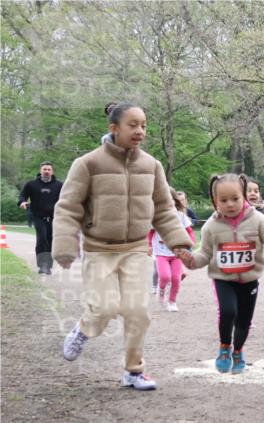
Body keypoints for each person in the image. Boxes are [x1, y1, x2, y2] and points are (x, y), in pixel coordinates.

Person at [53, 102, 194, 391]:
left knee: (137, 311)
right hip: (99, 249)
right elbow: (68, 207)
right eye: (133, 125)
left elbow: (164, 210)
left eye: (143, 125)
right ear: (114, 128)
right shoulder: (88, 164)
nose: (140, 131)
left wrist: (180, 243)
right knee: (104, 308)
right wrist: (66, 245)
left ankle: (134, 371)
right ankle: (83, 328)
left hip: (135, 250)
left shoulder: (151, 166)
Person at [188, 174, 264, 373]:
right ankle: (225, 347)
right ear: (215, 201)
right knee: (228, 312)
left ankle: (238, 351)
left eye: (235, 198)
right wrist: (191, 260)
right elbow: (205, 253)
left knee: (244, 320)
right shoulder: (211, 226)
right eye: (223, 200)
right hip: (223, 278)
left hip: (249, 280)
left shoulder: (259, 220)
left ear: (243, 196)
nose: (230, 204)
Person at [148, 188, 197, 311]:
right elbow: (150, 232)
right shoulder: (155, 216)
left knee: (176, 278)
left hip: (177, 253)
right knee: (164, 277)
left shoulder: (180, 215)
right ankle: (161, 288)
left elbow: (189, 231)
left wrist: (191, 242)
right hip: (160, 252)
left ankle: (172, 302)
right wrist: (148, 245)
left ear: (173, 200)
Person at [18, 160, 63, 274]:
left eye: (49, 169)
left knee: (50, 240)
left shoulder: (59, 185)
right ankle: (43, 265)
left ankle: (48, 265)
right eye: (44, 169)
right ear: (40, 171)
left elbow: (66, 198)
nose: (46, 171)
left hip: (54, 218)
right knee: (42, 238)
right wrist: (22, 202)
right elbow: (22, 195)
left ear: (52, 171)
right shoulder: (31, 184)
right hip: (38, 216)